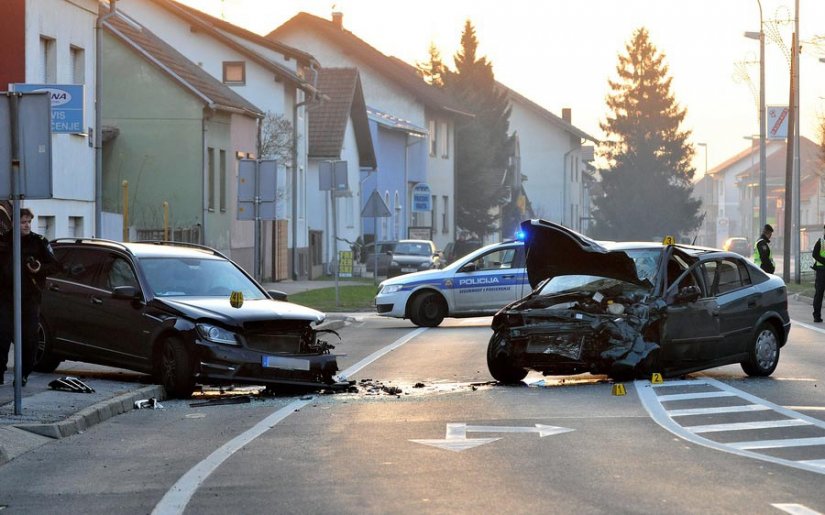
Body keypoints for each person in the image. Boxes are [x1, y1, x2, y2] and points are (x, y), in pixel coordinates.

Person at [0, 208, 61, 386]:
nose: (27, 225)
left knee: (29, 339)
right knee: (2, 336)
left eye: (29, 222)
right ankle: (0, 372)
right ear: (14, 223)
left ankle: (24, 374)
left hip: (29, 297)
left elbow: (55, 266)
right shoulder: (4, 241)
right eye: (23, 222)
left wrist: (39, 268)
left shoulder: (38, 242)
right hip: (5, 297)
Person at [811, 224, 825, 323]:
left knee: (819, 294)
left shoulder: (821, 241)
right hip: (821, 272)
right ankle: (816, 316)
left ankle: (817, 316)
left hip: (821, 272)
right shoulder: (821, 242)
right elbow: (814, 254)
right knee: (819, 294)